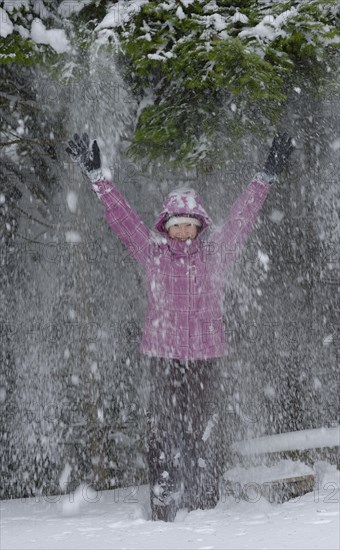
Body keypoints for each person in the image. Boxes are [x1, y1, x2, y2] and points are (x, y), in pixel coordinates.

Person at [66, 132, 295, 521]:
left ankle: (205, 505)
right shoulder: (154, 255)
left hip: (205, 358)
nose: (183, 232)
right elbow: (123, 220)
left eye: (189, 225)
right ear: (166, 227)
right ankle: (165, 505)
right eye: (176, 225)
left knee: (202, 431)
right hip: (164, 358)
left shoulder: (216, 253)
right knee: (163, 432)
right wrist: (97, 178)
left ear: (200, 225)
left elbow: (243, 215)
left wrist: (265, 176)